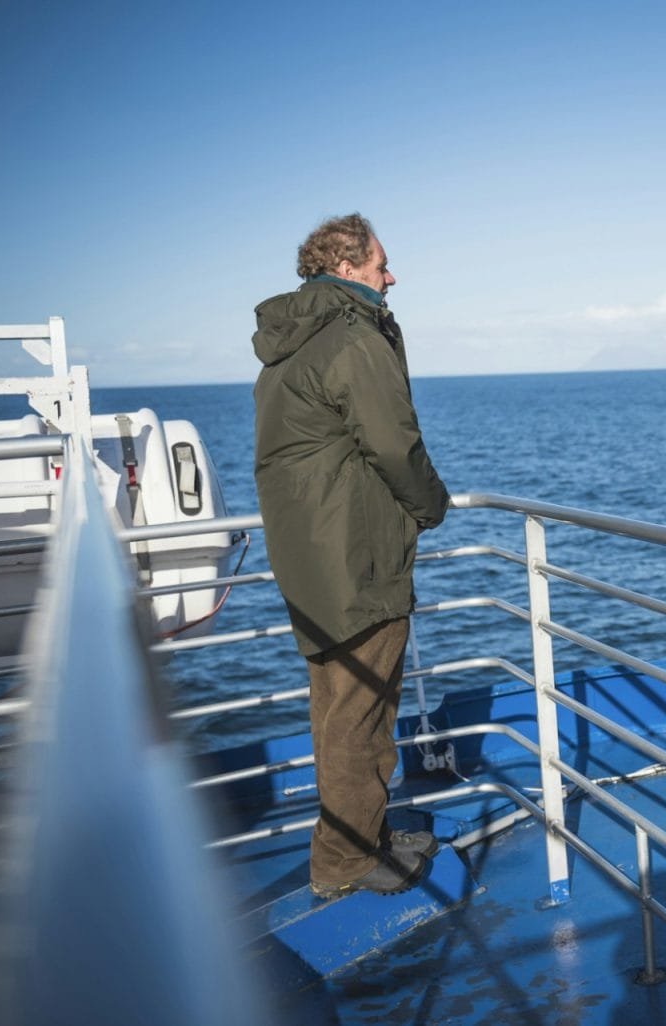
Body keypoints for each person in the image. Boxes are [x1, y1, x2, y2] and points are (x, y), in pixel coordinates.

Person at [251, 213, 451, 897]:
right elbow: (394, 445)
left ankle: (362, 837)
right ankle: (344, 862)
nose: (391, 276)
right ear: (345, 266)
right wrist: (432, 506)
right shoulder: (351, 339)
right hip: (358, 559)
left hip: (311, 562)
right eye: (380, 264)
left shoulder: (289, 349)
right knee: (360, 716)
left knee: (339, 710)